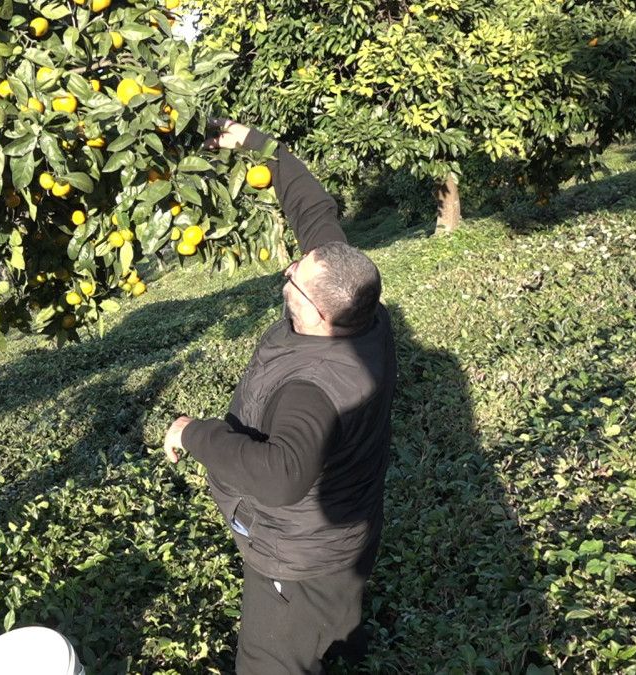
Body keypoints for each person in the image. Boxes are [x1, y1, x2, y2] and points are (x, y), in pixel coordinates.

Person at [163, 118, 397, 674]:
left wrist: (192, 432)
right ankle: (339, 646)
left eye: (294, 279)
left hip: (297, 558)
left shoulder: (311, 389)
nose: (289, 270)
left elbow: (283, 475)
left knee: (270, 662)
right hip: (347, 529)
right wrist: (254, 142)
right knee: (334, 627)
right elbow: (311, 205)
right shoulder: (355, 305)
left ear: (321, 314)